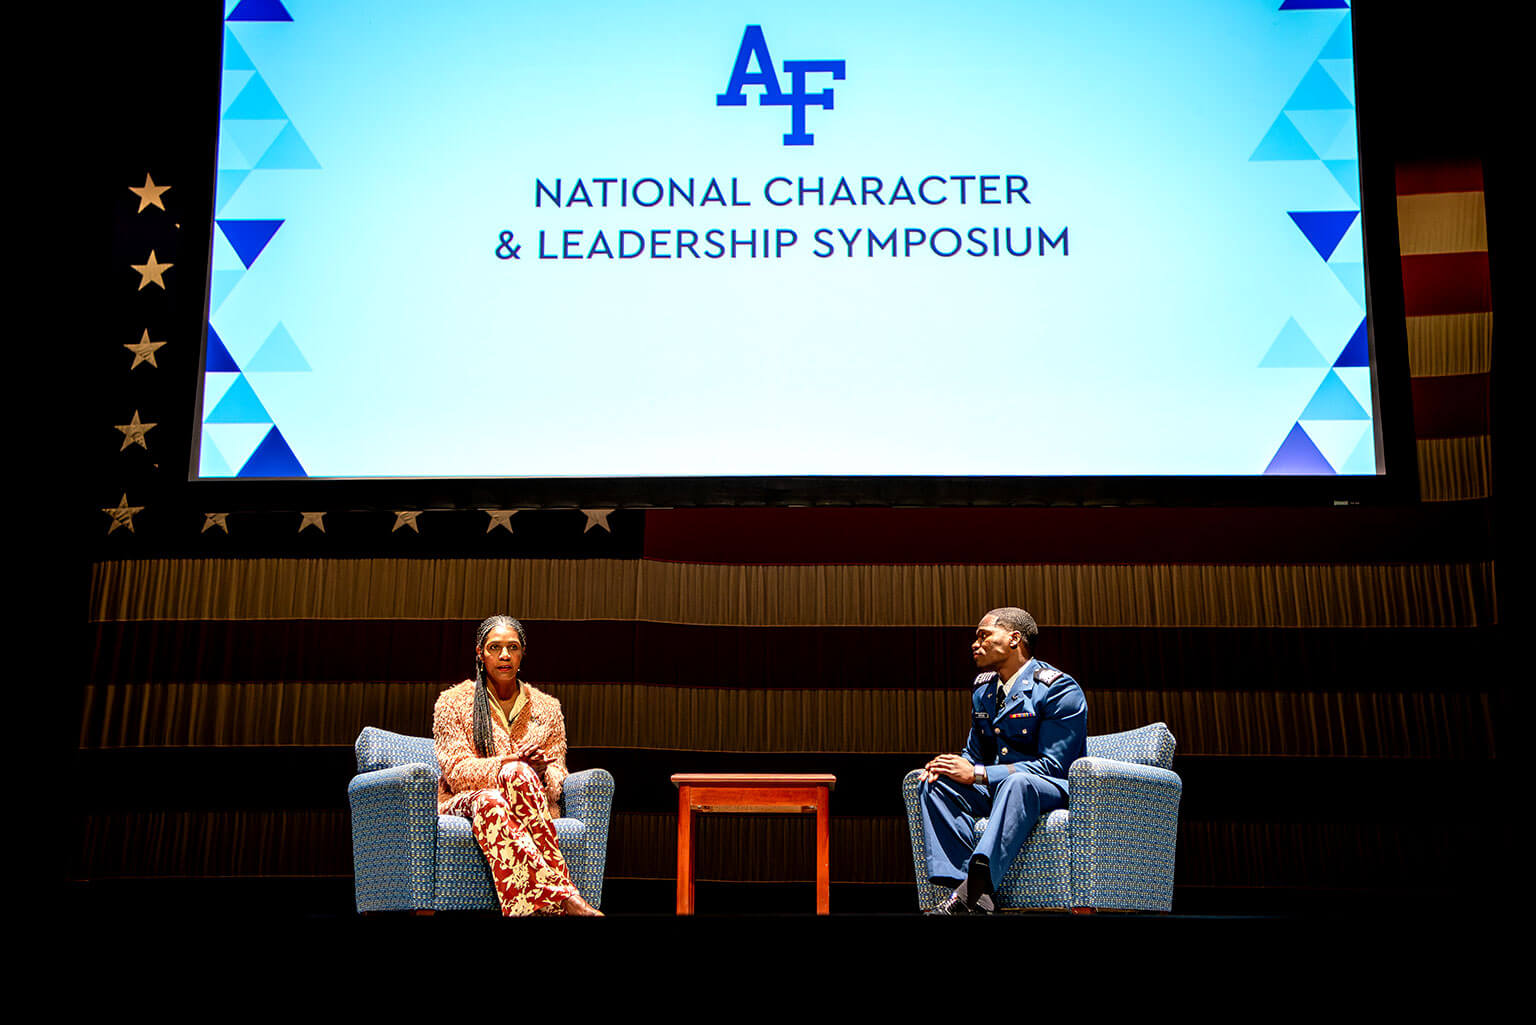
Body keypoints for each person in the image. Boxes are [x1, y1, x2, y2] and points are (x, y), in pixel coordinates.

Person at [918, 607, 1087, 914]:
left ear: (1014, 639)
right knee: (936, 783)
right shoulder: (984, 689)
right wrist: (953, 766)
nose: (975, 643)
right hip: (1000, 788)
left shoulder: (1058, 688)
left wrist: (979, 774)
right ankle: (968, 895)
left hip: (1047, 789)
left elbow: (1053, 766)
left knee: (1017, 782)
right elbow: (975, 752)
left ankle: (973, 888)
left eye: (984, 635)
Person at [434, 614, 601, 916]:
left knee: (505, 788)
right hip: (462, 801)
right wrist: (509, 764)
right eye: (494, 647)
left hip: (519, 799)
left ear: (523, 652)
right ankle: (567, 897)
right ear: (480, 654)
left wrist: (538, 770)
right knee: (508, 777)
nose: (504, 655)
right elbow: (457, 773)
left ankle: (537, 907)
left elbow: (559, 776)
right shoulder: (453, 703)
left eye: (512, 647)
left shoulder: (548, 708)